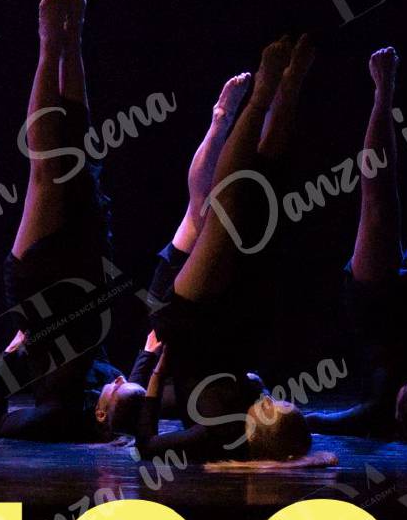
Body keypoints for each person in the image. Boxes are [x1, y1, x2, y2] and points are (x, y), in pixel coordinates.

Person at [130, 35, 316, 464]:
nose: (279, 401)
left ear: (264, 427)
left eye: (278, 408)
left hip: (191, 324)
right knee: (263, 193)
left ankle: (263, 94)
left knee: (224, 209)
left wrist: (156, 375)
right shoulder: (249, 408)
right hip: (232, 319)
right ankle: (289, 88)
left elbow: (147, 446)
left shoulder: (218, 434)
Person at [0, 0, 129, 441]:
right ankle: (73, 42)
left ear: (102, 414)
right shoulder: (115, 398)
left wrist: (10, 358)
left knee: (46, 169)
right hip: (88, 280)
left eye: (120, 391)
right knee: (78, 155)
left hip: (42, 296)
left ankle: (49, 46)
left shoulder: (60, 417)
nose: (121, 382)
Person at [305, 48, 407, 438]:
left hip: (378, 312)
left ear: (398, 411)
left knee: (377, 206)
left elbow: (319, 420)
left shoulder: (377, 414)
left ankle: (383, 94)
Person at [97, 70, 251, 437]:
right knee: (211, 214)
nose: (115, 383)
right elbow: (137, 399)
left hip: (173, 313)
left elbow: (139, 379)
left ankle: (225, 120)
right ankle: (242, 120)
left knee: (199, 211)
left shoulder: (144, 391)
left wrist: (148, 358)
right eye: (113, 391)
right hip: (191, 319)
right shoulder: (166, 399)